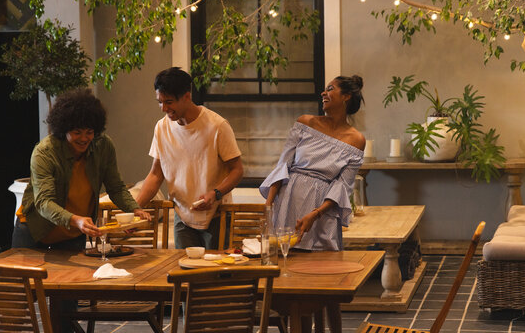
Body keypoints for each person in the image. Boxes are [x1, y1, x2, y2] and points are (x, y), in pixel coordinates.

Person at [12, 88, 151, 251]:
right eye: (77, 133)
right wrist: (76, 220)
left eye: (89, 132)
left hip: (73, 233)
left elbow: (116, 188)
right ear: (64, 130)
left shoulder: (103, 146)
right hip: (35, 231)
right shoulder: (45, 152)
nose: (84, 138)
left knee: (74, 277)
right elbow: (44, 203)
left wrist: (134, 209)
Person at [136, 67, 243, 249]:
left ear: (187, 96)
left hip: (217, 214)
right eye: (160, 102)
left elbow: (237, 170)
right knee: (184, 271)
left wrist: (215, 194)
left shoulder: (217, 126)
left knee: (214, 273)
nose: (164, 108)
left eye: (169, 102)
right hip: (182, 217)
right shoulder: (162, 128)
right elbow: (155, 175)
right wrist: (135, 208)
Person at [260, 75, 365, 251]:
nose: (323, 92)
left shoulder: (356, 140)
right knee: (285, 256)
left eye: (330, 89)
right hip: (289, 200)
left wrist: (316, 214)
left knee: (322, 266)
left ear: (346, 96)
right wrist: (268, 207)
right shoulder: (305, 123)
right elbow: (282, 166)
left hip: (321, 211)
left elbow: (342, 186)